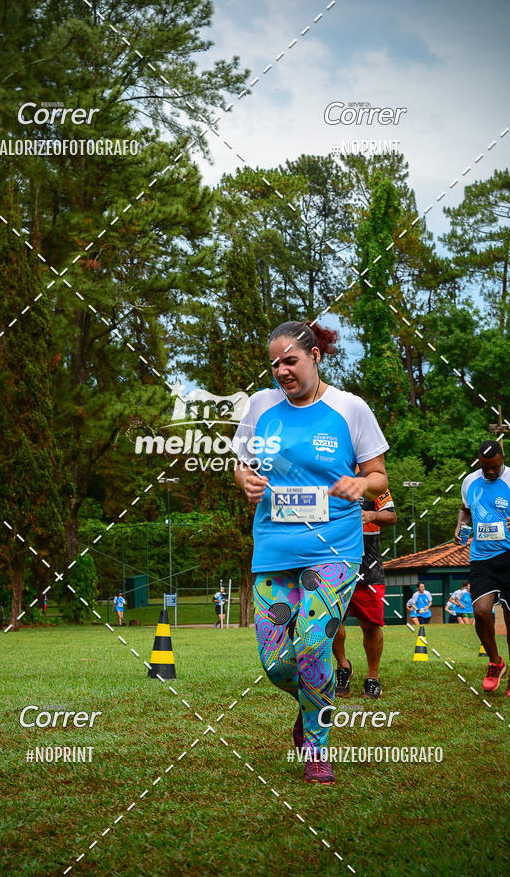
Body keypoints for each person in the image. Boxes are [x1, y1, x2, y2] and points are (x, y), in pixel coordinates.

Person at [232, 320, 389, 785]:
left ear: (315, 357)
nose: (281, 370)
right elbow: (240, 465)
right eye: (274, 363)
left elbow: (379, 477)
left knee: (315, 644)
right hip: (274, 550)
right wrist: (245, 481)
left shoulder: (350, 408)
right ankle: (307, 704)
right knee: (277, 661)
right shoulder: (260, 407)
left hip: (335, 548)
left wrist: (361, 483)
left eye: (290, 360)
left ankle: (317, 747)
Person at [455, 440, 510, 693]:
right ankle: (495, 661)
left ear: (503, 459)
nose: (490, 472)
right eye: (485, 467)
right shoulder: (469, 481)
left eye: (494, 467)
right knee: (480, 611)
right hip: (481, 558)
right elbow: (465, 511)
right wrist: (461, 526)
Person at [333, 487, 397, 700]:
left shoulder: (375, 484)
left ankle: (372, 677)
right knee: (331, 623)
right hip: (333, 566)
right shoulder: (327, 476)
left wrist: (372, 515)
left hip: (368, 569)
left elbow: (392, 516)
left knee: (370, 626)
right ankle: (343, 666)